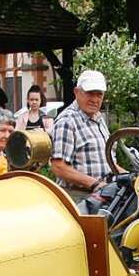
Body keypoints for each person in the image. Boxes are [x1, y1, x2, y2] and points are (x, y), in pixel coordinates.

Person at [50, 69, 113, 200]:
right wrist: (95, 184)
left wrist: (132, 177)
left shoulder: (99, 119)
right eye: (90, 93)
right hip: (78, 197)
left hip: (103, 194)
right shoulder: (67, 121)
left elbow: (106, 161)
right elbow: (59, 167)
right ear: (76, 92)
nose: (95, 99)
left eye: (99, 94)